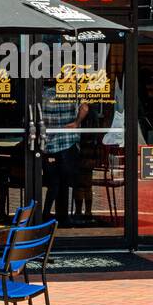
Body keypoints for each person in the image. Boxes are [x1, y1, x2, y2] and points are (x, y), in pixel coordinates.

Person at [40, 78, 88, 225]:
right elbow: (85, 108)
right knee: (66, 182)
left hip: (50, 145)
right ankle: (64, 217)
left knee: (53, 182)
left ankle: (45, 214)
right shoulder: (72, 91)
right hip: (68, 143)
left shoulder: (41, 95)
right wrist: (77, 123)